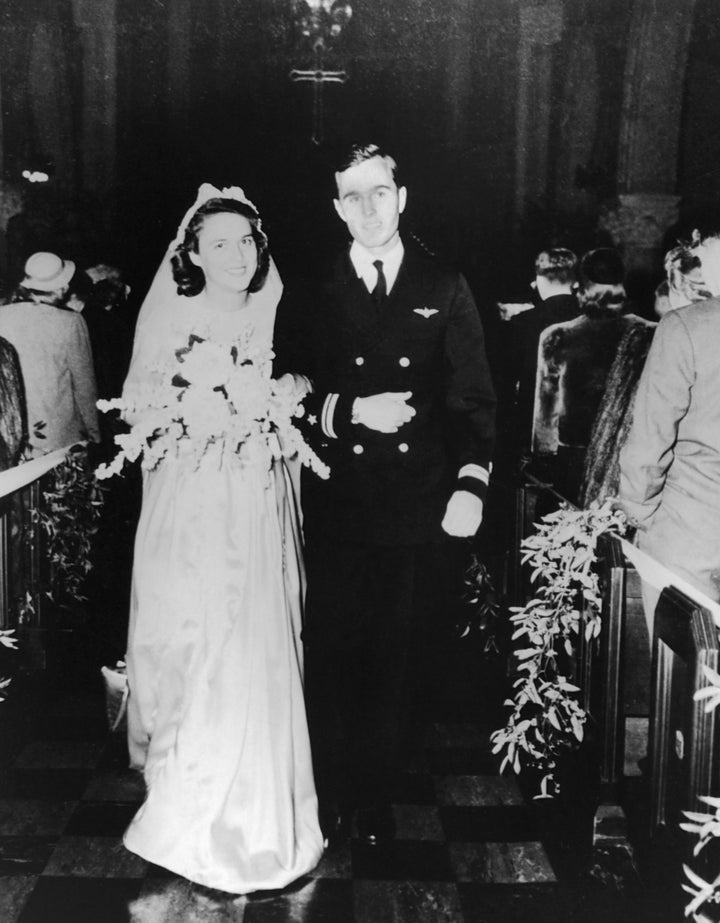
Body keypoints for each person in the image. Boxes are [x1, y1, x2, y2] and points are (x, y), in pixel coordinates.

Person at [274, 143, 496, 845]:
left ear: (402, 197)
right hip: (339, 498)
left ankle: (373, 792)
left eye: (379, 193)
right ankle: (333, 789)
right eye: (352, 197)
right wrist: (348, 410)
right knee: (336, 647)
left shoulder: (446, 283)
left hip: (418, 502)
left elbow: (474, 401)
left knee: (399, 655)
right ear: (337, 210)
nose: (368, 208)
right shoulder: (311, 289)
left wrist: (472, 484)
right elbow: (285, 391)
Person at [121, 185, 323, 892]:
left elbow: (303, 377)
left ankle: (261, 814)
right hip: (195, 503)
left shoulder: (276, 305)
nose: (239, 255)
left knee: (258, 642)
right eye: (221, 243)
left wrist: (285, 392)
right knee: (197, 640)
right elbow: (145, 407)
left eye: (247, 242)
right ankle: (190, 804)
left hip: (261, 498)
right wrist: (195, 417)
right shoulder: (174, 313)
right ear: (193, 254)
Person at [618, 224, 720, 629]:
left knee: (678, 680)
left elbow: (649, 441)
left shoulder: (685, 326)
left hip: (689, 534)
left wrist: (639, 513)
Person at [531, 247, 648, 503]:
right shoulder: (650, 333)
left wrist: (544, 462)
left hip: (574, 462)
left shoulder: (558, 336)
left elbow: (546, 419)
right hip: (630, 458)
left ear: (581, 284)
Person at [0, 251, 99, 456]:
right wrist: (94, 433)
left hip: (9, 432)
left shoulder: (2, 316)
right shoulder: (70, 322)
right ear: (62, 287)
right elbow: (84, 384)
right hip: (60, 435)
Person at [508, 247, 579, 456]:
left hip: (533, 433)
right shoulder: (590, 319)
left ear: (538, 279)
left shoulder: (523, 323)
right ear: (575, 282)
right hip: (582, 431)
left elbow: (508, 382)